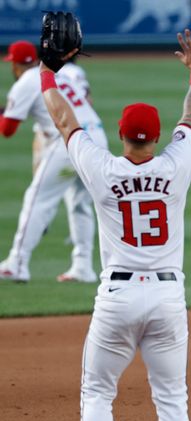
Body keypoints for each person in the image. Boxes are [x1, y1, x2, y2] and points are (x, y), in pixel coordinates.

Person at [40, 29, 191, 421]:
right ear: (157, 137)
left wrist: (49, 68)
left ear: (119, 134)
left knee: (97, 392)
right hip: (166, 299)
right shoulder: (178, 162)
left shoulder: (102, 168)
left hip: (115, 297)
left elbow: (63, 116)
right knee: (172, 402)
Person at [0, 40, 107, 283]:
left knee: (37, 198)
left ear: (15, 65)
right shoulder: (60, 76)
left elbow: (7, 129)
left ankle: (17, 262)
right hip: (96, 139)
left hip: (69, 142)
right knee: (80, 203)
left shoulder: (26, 81)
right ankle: (82, 266)